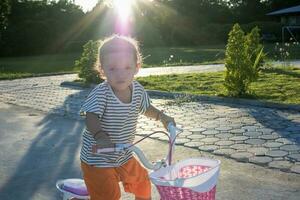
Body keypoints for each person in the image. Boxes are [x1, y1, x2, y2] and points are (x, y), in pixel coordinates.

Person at [79, 34, 176, 200]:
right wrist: (100, 136)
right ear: (102, 70)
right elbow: (91, 116)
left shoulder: (137, 90)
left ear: (136, 67)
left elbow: (146, 108)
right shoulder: (102, 93)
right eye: (112, 69)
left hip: (123, 154)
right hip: (98, 157)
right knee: (108, 196)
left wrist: (162, 116)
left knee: (143, 183)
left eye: (127, 68)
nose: (120, 75)